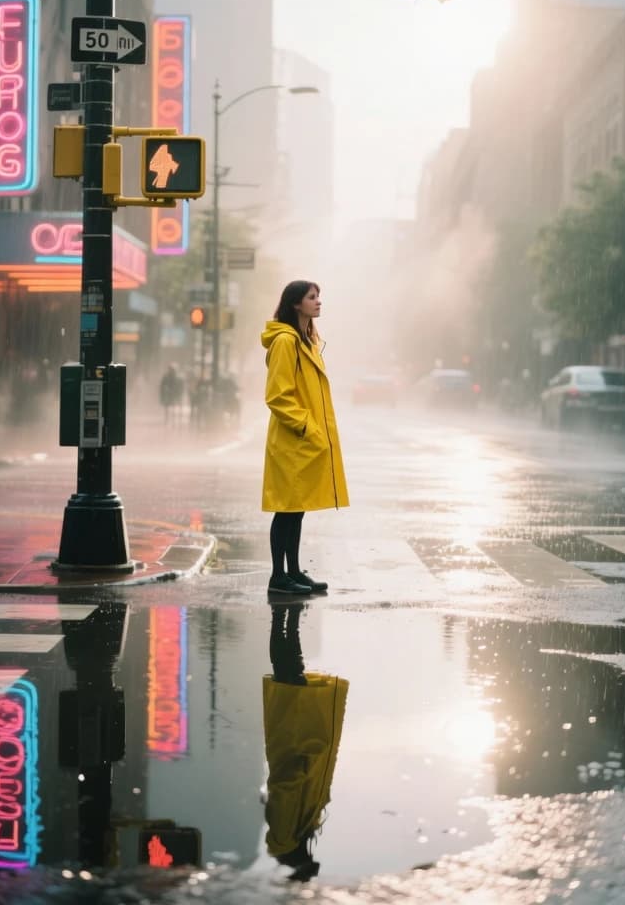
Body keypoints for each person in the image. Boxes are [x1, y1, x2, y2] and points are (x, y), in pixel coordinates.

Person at [261, 280, 349, 597]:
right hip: (291, 439)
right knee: (285, 509)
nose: (318, 301)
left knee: (297, 509)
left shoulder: (307, 341)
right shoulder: (286, 342)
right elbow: (277, 396)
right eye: (312, 297)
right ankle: (277, 576)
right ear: (296, 304)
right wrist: (306, 427)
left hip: (301, 440)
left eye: (318, 296)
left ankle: (293, 571)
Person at [262, 603, 349, 882]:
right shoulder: (294, 835)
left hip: (296, 742)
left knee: (288, 675)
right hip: (302, 743)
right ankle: (286, 616)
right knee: (292, 672)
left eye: (308, 861)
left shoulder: (285, 836)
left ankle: (282, 615)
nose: (311, 856)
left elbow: (284, 788)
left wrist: (301, 766)